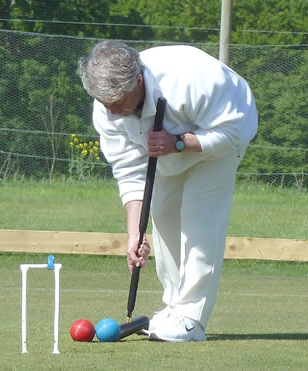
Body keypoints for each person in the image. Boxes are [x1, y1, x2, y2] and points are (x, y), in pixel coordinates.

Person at [78, 40, 258, 342]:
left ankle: (191, 319)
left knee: (199, 217)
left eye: (118, 102)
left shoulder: (193, 79)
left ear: (137, 81)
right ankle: (173, 308)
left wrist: (179, 143)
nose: (112, 112)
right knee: (163, 216)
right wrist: (135, 232)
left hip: (219, 137)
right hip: (166, 147)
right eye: (105, 103)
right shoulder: (107, 107)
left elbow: (236, 131)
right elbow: (128, 168)